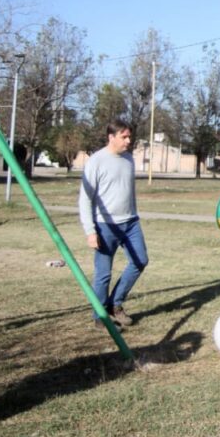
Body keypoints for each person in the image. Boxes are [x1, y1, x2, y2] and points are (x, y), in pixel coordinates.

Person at [78, 119, 148, 328]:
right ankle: (100, 316)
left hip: (130, 222)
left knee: (140, 261)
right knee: (103, 274)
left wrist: (134, 214)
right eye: (124, 136)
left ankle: (115, 304)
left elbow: (129, 192)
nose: (129, 140)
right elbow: (85, 198)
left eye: (129, 136)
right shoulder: (96, 161)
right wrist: (90, 231)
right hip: (105, 225)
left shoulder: (129, 159)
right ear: (111, 137)